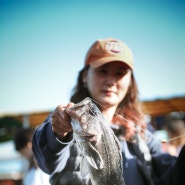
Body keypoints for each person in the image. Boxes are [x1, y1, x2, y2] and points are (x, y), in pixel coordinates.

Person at [32, 38, 184, 185]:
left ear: (130, 82)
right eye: (102, 71)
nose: (110, 80)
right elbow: (47, 161)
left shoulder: (143, 133)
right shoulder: (66, 120)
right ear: (85, 76)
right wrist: (59, 132)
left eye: (119, 73)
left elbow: (171, 175)